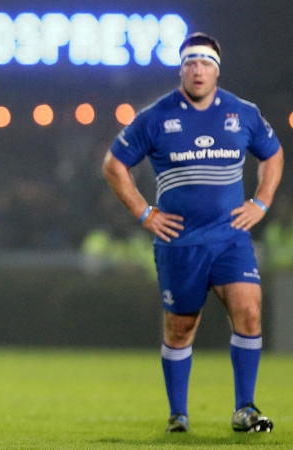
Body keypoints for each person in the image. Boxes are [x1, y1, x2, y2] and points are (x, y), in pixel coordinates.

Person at [102, 32, 283, 433]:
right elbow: (114, 165)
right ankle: (178, 415)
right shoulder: (155, 117)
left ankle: (245, 408)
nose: (197, 70)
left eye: (204, 63)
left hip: (230, 237)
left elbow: (273, 153)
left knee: (250, 311)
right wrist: (144, 212)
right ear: (181, 68)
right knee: (181, 327)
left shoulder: (243, 113)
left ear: (217, 70)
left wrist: (261, 201)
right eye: (190, 63)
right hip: (179, 242)